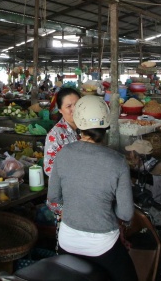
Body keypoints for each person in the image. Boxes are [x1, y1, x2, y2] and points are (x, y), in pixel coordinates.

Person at [47, 95, 138, 281]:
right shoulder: (118, 161)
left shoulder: (63, 154)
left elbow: (53, 197)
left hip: (66, 242)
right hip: (103, 246)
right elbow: (126, 214)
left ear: (79, 123)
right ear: (106, 125)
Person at [43, 87, 81, 177]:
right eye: (69, 106)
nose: (74, 110)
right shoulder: (55, 135)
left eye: (77, 105)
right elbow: (49, 169)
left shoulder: (87, 127)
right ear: (60, 110)